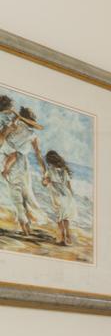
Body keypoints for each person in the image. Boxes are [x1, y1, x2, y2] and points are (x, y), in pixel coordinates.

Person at [0, 95, 44, 236]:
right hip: (23, 164)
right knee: (25, 194)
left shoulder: (13, 125)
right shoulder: (32, 134)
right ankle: (27, 226)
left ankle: (25, 227)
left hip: (9, 161)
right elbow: (38, 154)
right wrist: (44, 171)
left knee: (16, 196)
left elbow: (1, 141)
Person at [38, 149, 76, 249]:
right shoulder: (64, 170)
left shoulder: (50, 171)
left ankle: (62, 237)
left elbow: (44, 183)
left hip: (57, 196)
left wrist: (44, 181)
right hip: (67, 195)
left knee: (60, 218)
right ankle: (68, 236)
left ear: (49, 161)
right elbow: (68, 185)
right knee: (65, 217)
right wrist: (71, 195)